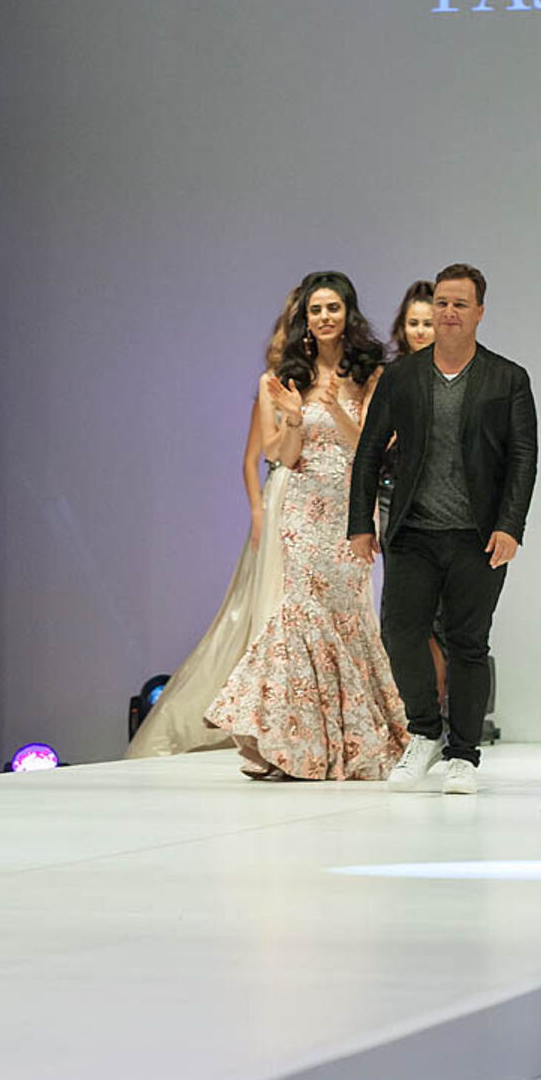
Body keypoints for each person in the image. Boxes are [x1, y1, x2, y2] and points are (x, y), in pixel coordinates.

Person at [205, 270, 409, 780]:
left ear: (348, 313)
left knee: (346, 618)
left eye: (333, 308)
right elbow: (282, 456)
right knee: (298, 616)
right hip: (299, 510)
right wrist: (295, 417)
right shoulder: (283, 377)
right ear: (304, 318)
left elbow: (373, 446)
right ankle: (288, 744)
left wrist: (335, 407)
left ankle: (344, 743)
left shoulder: (370, 372)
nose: (324, 317)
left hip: (350, 507)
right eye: (316, 310)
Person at [348, 263, 537, 796]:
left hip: (478, 535)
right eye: (442, 303)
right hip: (412, 530)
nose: (449, 313)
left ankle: (464, 754)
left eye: (460, 304)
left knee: (468, 642)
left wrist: (511, 526)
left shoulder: (507, 378)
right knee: (400, 632)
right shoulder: (402, 376)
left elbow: (523, 459)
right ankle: (426, 731)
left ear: (480, 312)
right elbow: (369, 450)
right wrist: (360, 523)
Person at [126, 285, 301, 758]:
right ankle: (261, 717)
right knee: (259, 613)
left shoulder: (333, 380)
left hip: (316, 509)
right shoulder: (273, 383)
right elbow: (254, 458)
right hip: (279, 506)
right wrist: (259, 512)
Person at [379, 280, 447, 707]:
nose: (421, 331)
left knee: (442, 617)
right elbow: (374, 441)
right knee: (404, 614)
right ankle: (414, 714)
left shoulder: (460, 373)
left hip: (447, 503)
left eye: (428, 322)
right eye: (413, 323)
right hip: (395, 499)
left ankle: (440, 710)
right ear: (402, 328)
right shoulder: (391, 377)